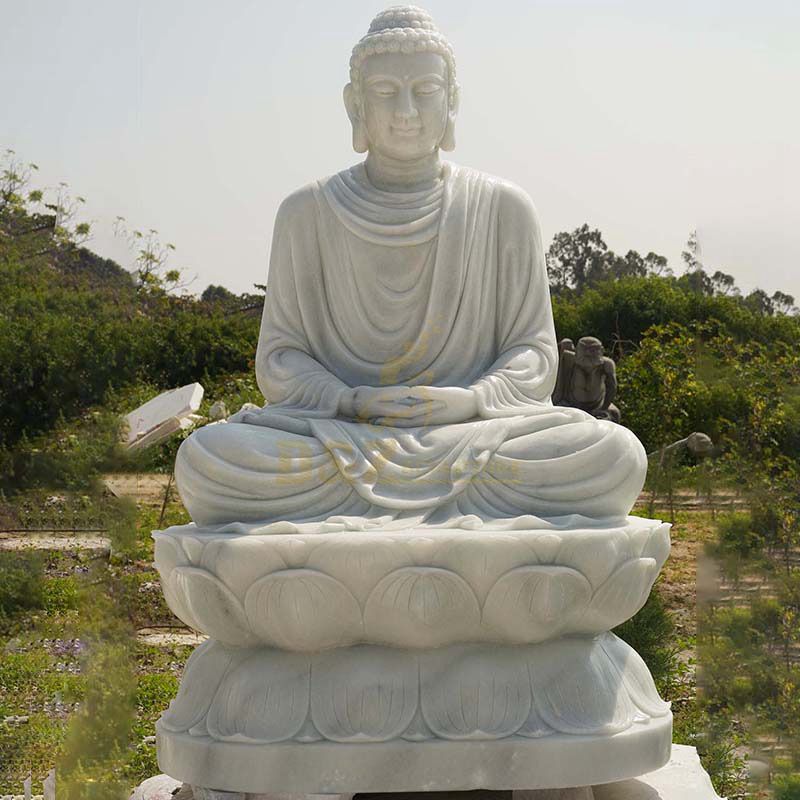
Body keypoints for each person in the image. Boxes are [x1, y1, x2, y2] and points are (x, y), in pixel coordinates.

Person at [175, 6, 647, 529]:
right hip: (343, 435)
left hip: (471, 433)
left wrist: (467, 402)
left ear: (452, 101)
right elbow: (281, 359)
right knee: (209, 458)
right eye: (384, 93)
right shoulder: (306, 212)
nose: (406, 111)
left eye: (424, 91)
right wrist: (348, 399)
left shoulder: (502, 208)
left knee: (613, 454)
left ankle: (383, 512)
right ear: (354, 104)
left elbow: (533, 355)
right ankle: (434, 514)